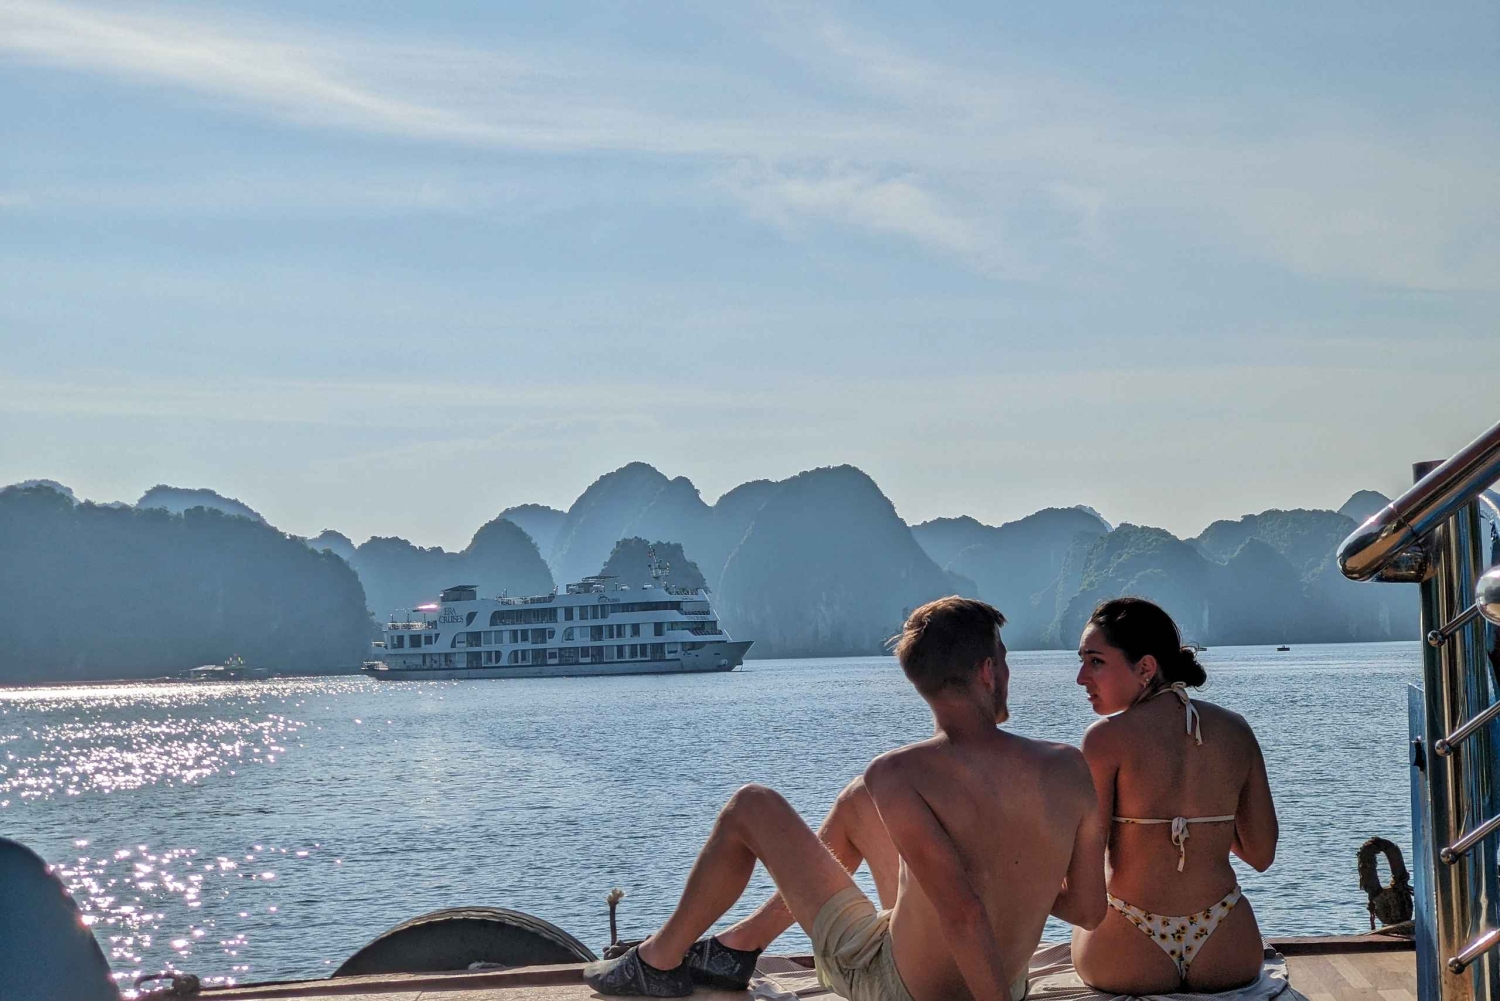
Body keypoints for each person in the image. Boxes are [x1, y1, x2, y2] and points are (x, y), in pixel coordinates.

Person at [585, 596, 1105, 1001]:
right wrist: (1023, 876)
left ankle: (660, 958)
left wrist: (994, 879)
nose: (1008, 673)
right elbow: (1087, 908)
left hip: (902, 988)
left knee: (752, 804)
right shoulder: (1068, 767)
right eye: (1005, 661)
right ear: (988, 672)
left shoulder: (899, 773)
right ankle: (737, 948)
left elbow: (964, 915)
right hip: (1003, 985)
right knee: (859, 801)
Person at [1070, 597, 1279, 994]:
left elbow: (1084, 864)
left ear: (1146, 668)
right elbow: (1261, 854)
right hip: (1226, 940)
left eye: (1095, 661)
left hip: (1127, 942)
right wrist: (1206, 813)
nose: (1082, 677)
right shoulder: (1235, 729)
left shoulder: (1105, 739)